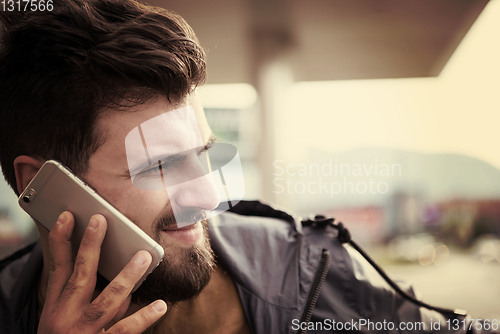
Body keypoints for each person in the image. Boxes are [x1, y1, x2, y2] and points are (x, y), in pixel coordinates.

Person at [0, 1, 497, 333]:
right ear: (42, 187)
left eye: (203, 155)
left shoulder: (308, 271)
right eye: (160, 165)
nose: (207, 197)